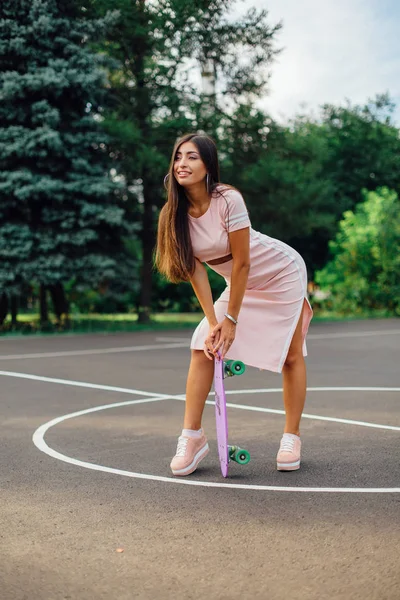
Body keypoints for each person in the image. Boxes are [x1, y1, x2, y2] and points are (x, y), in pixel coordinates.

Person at [155, 133, 313, 477]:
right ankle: (192, 437)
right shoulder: (173, 214)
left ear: (208, 165)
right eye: (178, 157)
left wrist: (232, 320)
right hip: (240, 285)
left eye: (192, 157)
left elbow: (242, 263)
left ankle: (292, 437)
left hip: (280, 273)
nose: (182, 163)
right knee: (203, 347)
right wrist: (214, 322)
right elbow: (196, 272)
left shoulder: (228, 199)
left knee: (290, 354)